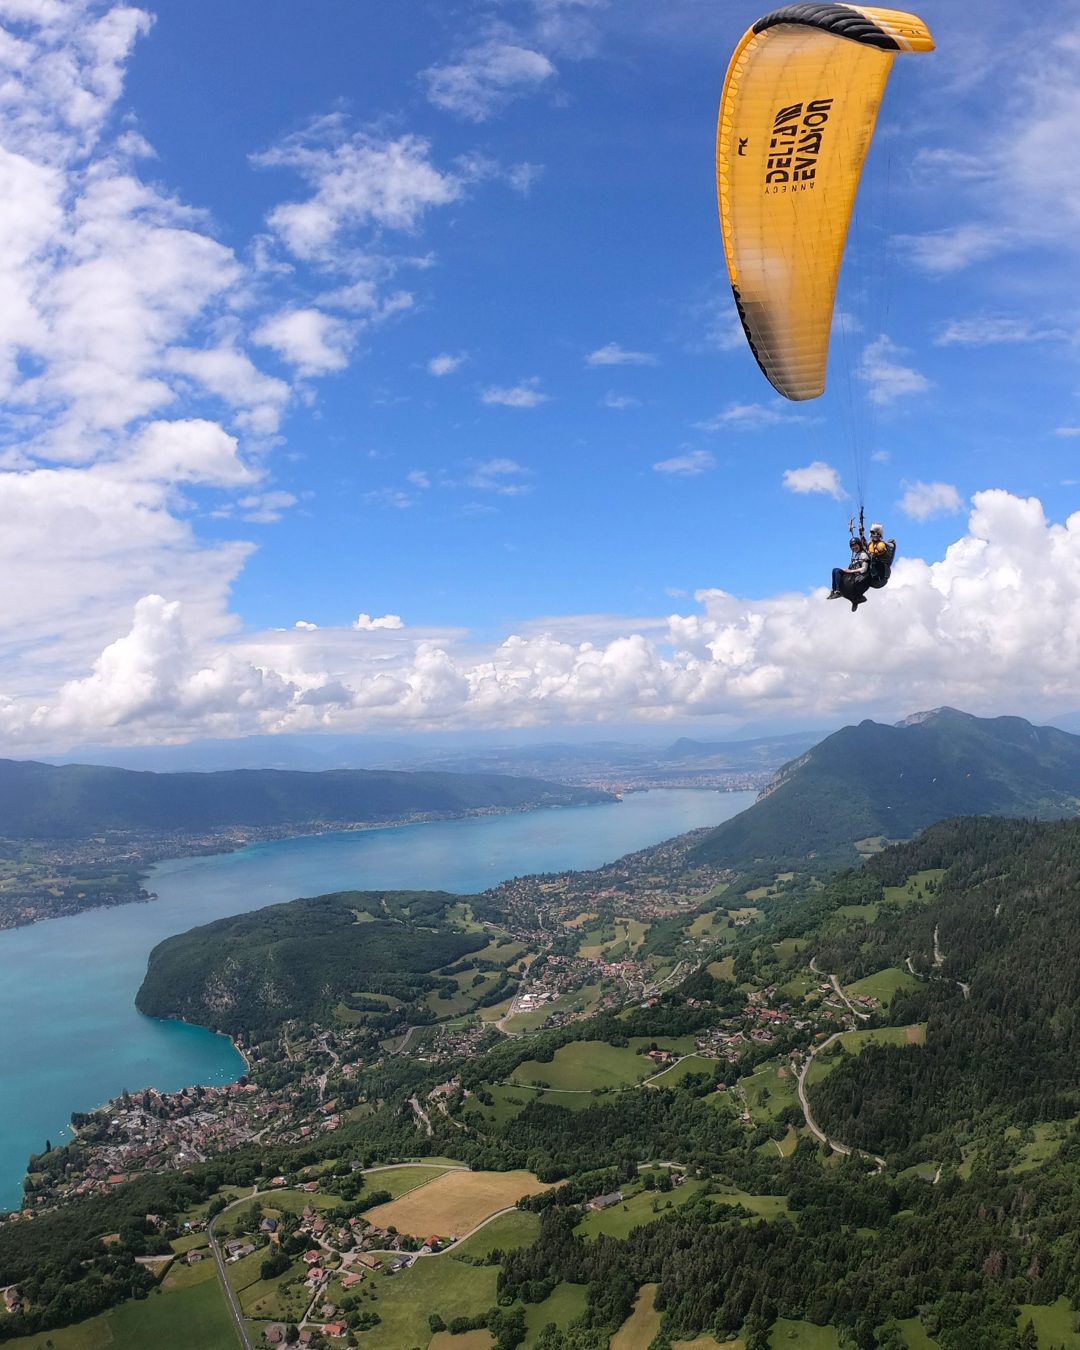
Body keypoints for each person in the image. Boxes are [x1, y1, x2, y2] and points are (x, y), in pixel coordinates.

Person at [829, 538, 870, 611]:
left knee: (837, 571)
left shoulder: (863, 555)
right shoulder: (856, 556)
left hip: (856, 576)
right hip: (852, 573)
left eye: (855, 545)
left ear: (859, 545)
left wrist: (851, 571)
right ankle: (834, 590)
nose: (854, 548)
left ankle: (838, 592)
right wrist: (846, 569)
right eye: (852, 546)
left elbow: (864, 569)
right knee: (835, 570)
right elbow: (851, 566)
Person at [866, 522, 896, 589]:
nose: (875, 535)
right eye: (874, 534)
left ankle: (874, 575)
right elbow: (863, 544)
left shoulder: (881, 543)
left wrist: (874, 551)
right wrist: (861, 534)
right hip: (874, 564)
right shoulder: (870, 543)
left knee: (872, 558)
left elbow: (881, 549)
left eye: (877, 534)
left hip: (880, 569)